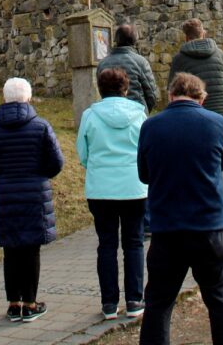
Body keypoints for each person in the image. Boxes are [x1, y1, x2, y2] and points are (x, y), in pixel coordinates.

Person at [138, 73, 223, 345]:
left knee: (158, 303)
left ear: (170, 95)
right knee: (220, 302)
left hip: (167, 227)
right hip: (209, 226)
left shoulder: (150, 126)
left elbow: (144, 174)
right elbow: (220, 166)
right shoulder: (218, 124)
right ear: (202, 98)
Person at [0, 77, 65, 323]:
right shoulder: (41, 126)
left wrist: (2, 172)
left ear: (3, 98)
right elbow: (57, 162)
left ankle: (13, 302)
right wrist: (41, 174)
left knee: (11, 250)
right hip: (34, 194)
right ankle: (30, 302)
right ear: (28, 97)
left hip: (6, 193)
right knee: (31, 250)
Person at [77, 68, 149, 320]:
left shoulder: (89, 115)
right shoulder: (139, 115)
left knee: (106, 244)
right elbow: (146, 149)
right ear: (125, 89)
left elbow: (82, 153)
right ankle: (134, 299)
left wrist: (98, 166)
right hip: (134, 185)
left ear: (100, 88)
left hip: (101, 187)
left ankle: (109, 302)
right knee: (134, 243)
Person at [168, 19, 223, 208]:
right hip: (219, 106)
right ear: (203, 33)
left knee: (195, 151)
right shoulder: (219, 53)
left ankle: (204, 194)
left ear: (186, 37)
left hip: (193, 108)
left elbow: (173, 85)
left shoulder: (180, 58)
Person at [97, 24, 159, 111]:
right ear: (134, 40)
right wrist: (143, 111)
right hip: (137, 114)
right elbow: (151, 94)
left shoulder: (102, 64)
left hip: (109, 112)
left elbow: (102, 92)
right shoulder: (141, 62)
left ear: (116, 40)